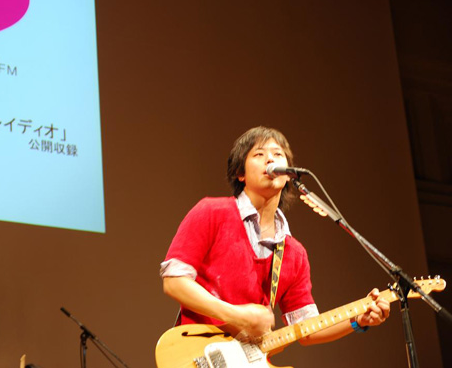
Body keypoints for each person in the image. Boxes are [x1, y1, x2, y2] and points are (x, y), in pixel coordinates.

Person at [160, 126, 390, 345]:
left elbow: (306, 329)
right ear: (240, 173)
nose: (270, 160)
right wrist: (238, 315)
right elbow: (174, 282)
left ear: (289, 174)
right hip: (198, 354)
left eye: (278, 154)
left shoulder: (294, 253)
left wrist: (357, 320)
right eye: (259, 154)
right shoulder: (212, 212)